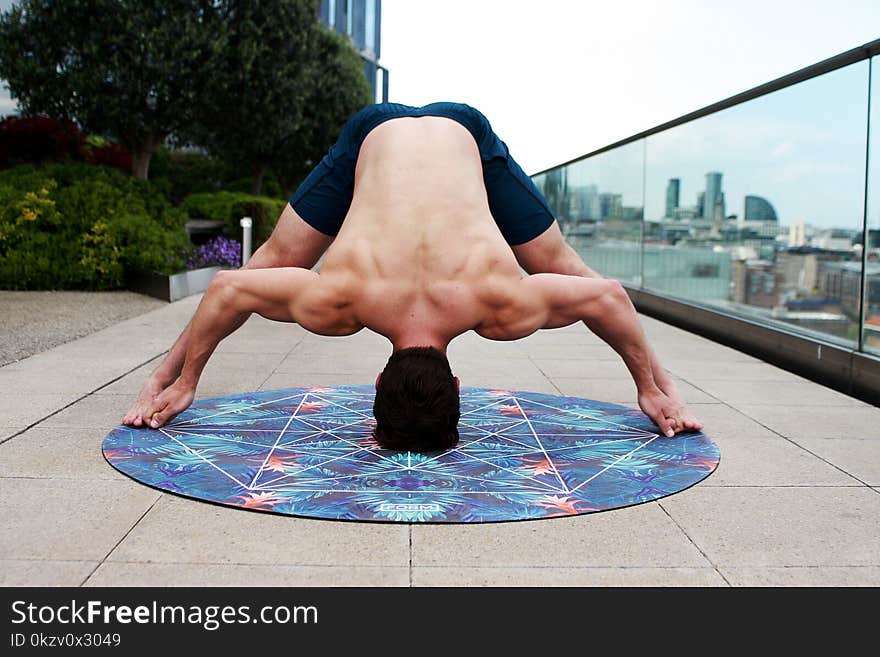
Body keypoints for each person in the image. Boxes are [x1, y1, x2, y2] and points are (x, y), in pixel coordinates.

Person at [123, 102, 702, 451]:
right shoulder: (340, 303)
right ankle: (164, 381)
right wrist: (185, 379)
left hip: (449, 133)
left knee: (269, 261)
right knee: (566, 268)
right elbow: (608, 294)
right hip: (399, 134)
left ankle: (164, 379)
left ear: (459, 389)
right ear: (377, 384)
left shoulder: (498, 305)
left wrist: (650, 386)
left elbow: (604, 297)